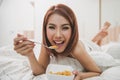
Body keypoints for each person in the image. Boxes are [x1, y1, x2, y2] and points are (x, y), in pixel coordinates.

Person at [13, 4, 101, 80]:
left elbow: (97, 71)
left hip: (86, 45)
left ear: (73, 30)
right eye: (52, 27)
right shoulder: (47, 44)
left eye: (65, 28)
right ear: (45, 29)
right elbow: (41, 71)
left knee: (91, 43)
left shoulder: (76, 49)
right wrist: (30, 54)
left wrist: (81, 76)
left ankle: (97, 38)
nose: (58, 35)